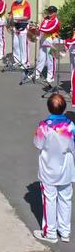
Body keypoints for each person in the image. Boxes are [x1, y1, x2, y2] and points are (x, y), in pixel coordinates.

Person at [33, 93, 75, 243]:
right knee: (65, 198)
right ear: (64, 108)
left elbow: (37, 143)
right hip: (66, 168)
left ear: (49, 107)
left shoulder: (44, 126)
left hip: (49, 169)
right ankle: (65, 232)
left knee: (49, 199)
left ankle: (50, 232)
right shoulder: (71, 125)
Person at [33, 6, 61, 84]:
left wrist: (40, 29)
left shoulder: (56, 21)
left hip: (52, 42)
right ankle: (37, 73)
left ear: (55, 13)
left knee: (51, 60)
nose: (49, 13)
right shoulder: (45, 19)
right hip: (43, 41)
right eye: (48, 12)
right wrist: (37, 30)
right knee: (41, 59)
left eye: (51, 12)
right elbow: (42, 28)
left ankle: (50, 77)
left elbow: (49, 29)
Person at [8, 0, 31, 68]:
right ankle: (17, 60)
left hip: (23, 26)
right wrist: (10, 20)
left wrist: (17, 18)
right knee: (16, 44)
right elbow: (11, 13)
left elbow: (27, 16)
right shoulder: (13, 4)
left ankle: (25, 62)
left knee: (23, 45)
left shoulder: (26, 4)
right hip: (15, 26)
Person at [65, 28, 75, 107]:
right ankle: (72, 90)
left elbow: (70, 41)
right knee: (72, 71)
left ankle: (72, 91)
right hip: (73, 53)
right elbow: (69, 43)